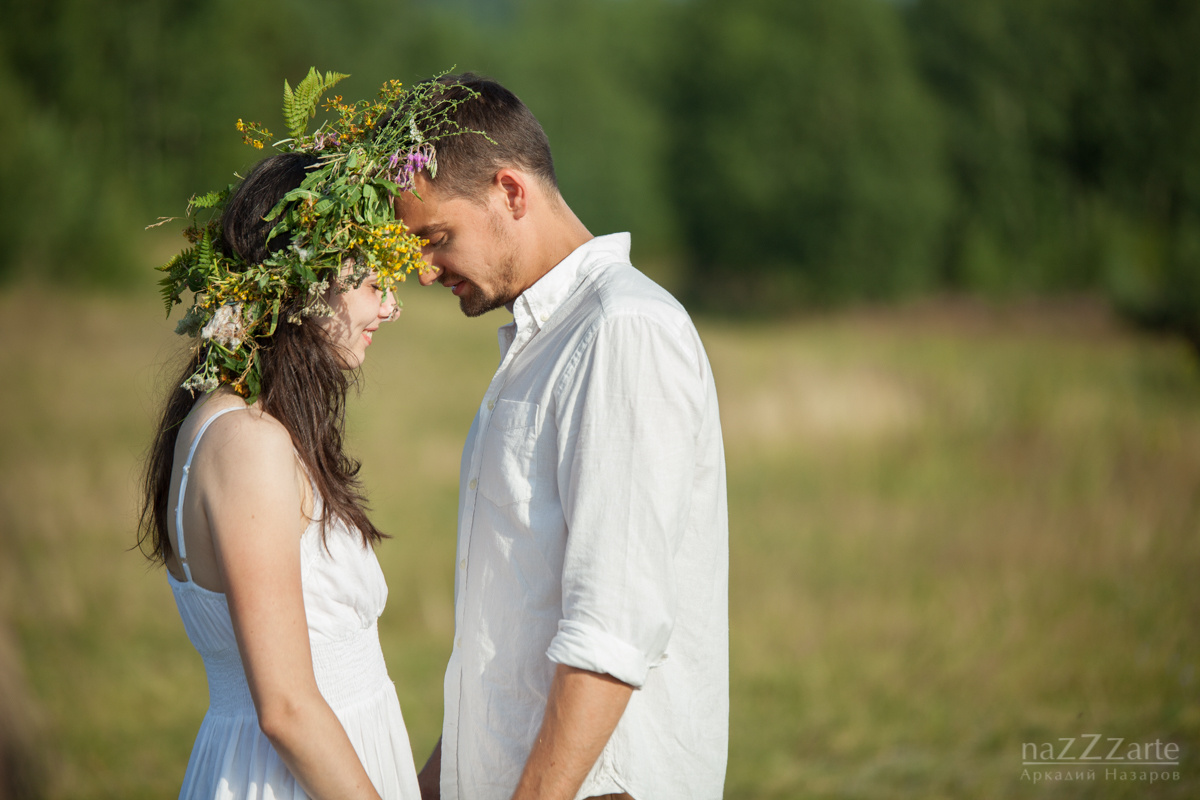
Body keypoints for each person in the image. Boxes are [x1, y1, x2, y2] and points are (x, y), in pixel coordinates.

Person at [394, 74, 729, 800]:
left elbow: (614, 625)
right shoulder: (543, 343)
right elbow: (510, 634)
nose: (421, 271)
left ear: (509, 192)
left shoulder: (621, 331)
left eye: (436, 237)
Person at [138, 73, 462, 799]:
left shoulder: (257, 428)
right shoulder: (245, 442)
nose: (389, 308)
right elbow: (284, 707)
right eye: (374, 283)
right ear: (311, 281)